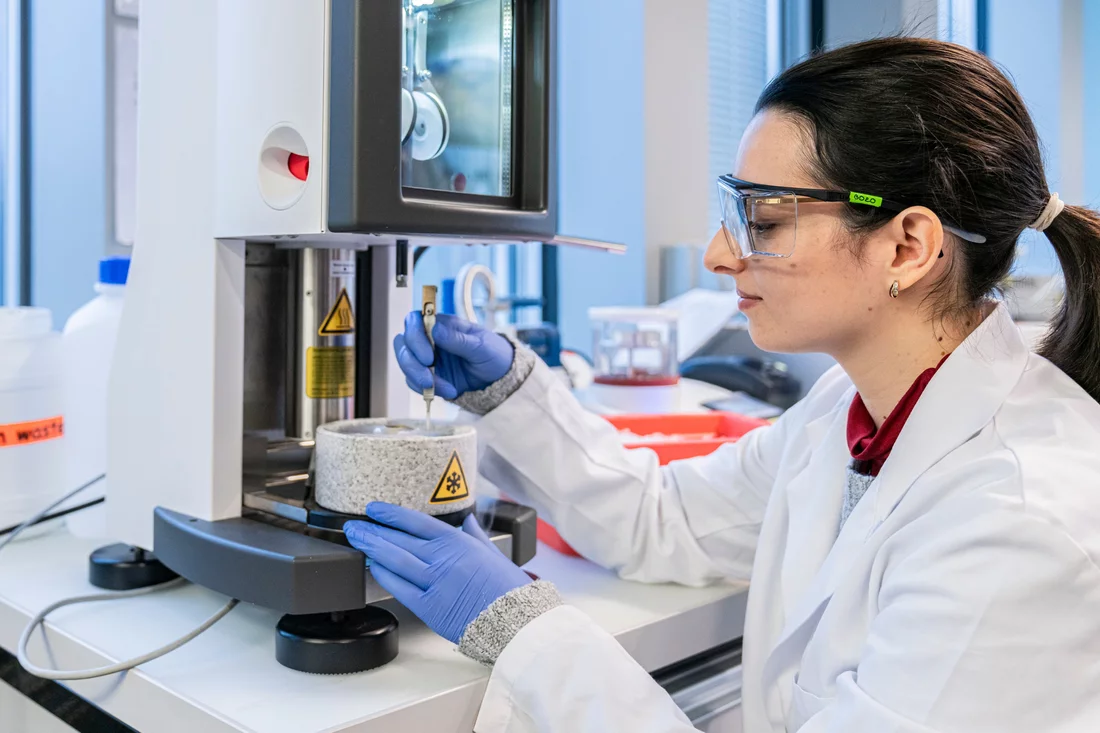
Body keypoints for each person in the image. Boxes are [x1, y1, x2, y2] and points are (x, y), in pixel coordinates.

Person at [344, 37, 1100, 732]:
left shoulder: (1017, 524)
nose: (717, 253)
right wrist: (508, 392)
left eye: (765, 220)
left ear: (907, 245)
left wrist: (524, 631)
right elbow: (662, 519)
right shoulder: (854, 408)